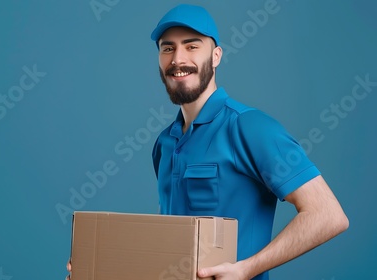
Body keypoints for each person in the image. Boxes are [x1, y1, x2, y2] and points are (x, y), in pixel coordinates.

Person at [67, 4, 348, 280]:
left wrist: (245, 269)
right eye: (168, 48)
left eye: (192, 46)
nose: (178, 59)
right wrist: (99, 265)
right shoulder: (165, 142)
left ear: (215, 56)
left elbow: (327, 215)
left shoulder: (250, 127)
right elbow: (168, 240)